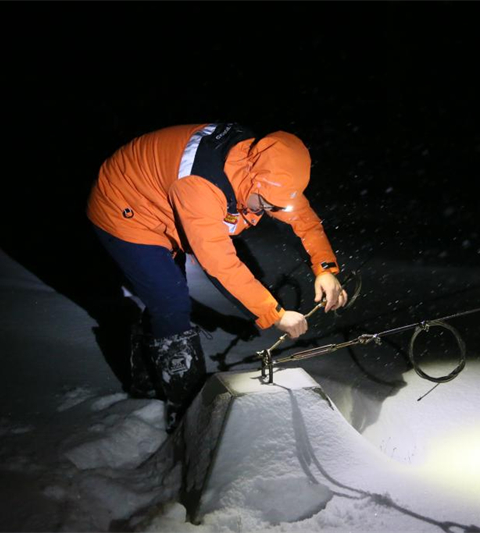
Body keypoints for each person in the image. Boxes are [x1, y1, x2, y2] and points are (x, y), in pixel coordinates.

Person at [86, 122, 348, 432]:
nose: (269, 212)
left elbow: (303, 220)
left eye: (276, 206)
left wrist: (326, 269)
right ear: (254, 179)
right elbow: (220, 264)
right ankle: (184, 410)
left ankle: (145, 371)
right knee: (171, 299)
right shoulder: (201, 185)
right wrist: (274, 313)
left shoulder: (270, 173)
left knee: (165, 297)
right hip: (125, 209)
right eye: (266, 205)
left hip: (164, 202)